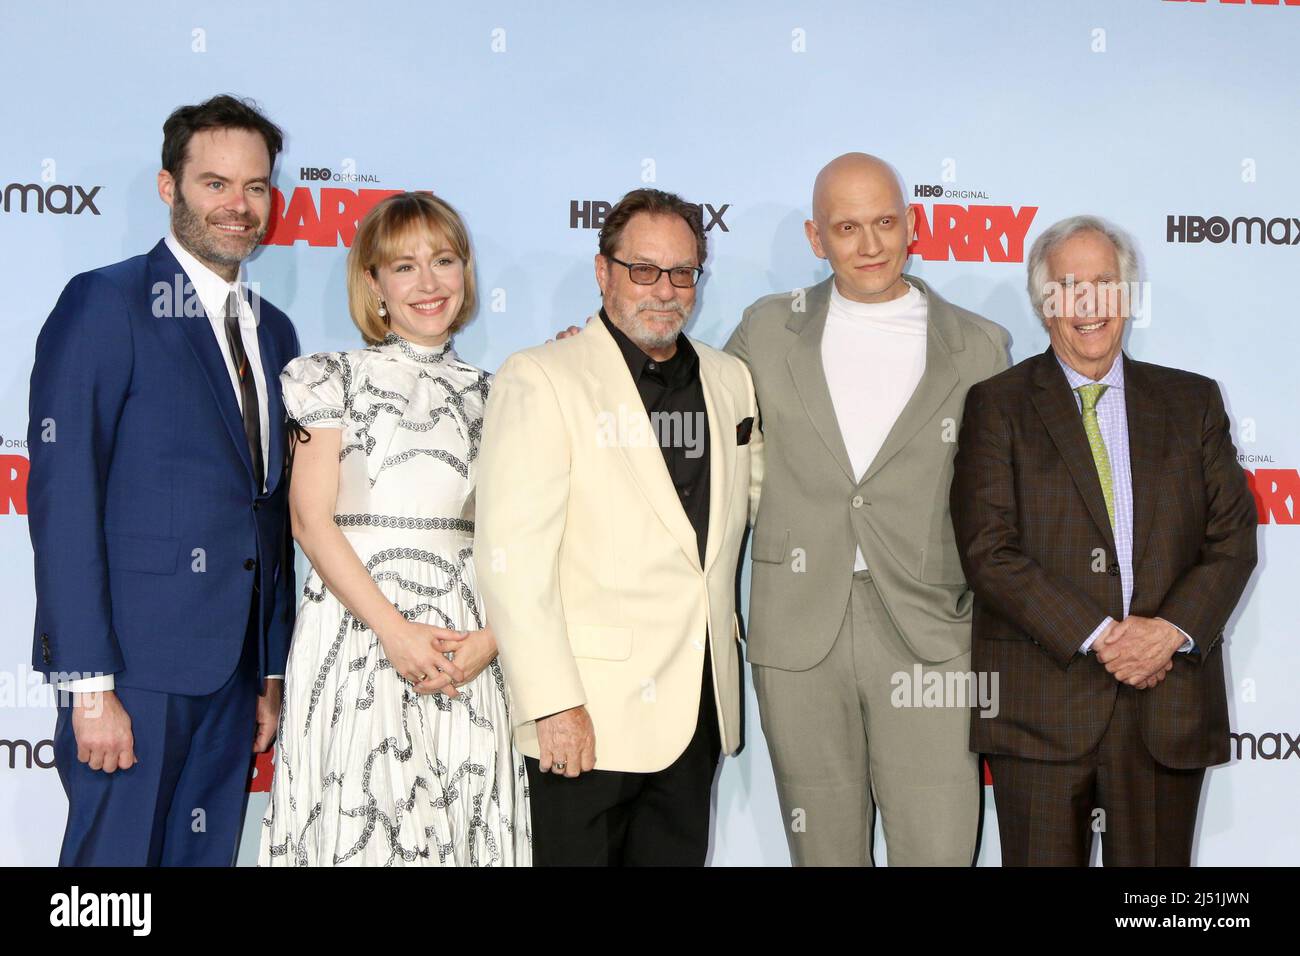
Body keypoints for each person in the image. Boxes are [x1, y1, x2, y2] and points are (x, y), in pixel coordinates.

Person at [28, 94, 298, 866]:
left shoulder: (273, 330)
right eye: (215, 184)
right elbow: (66, 499)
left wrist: (268, 669)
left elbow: (267, 513)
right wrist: (89, 685)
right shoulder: (105, 302)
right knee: (111, 889)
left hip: (232, 678)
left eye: (254, 187)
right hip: (133, 676)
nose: (238, 206)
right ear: (167, 187)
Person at [724, 152, 1010, 866]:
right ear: (818, 241)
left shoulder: (979, 346)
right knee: (822, 853)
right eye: (846, 227)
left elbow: (1005, 500)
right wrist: (602, 359)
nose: (870, 244)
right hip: (798, 630)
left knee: (939, 848)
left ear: (913, 226)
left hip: (931, 631)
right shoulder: (764, 330)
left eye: (884, 222)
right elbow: (688, 420)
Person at [950, 215, 1258, 865]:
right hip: (1040, 712)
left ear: (1126, 296)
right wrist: (1103, 635)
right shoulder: (996, 406)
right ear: (1044, 305)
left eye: (1104, 284)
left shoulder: (1193, 403)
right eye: (1068, 287)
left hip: (1163, 707)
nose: (1088, 304)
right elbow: (988, 548)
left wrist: (1168, 630)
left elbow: (1232, 540)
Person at [475, 188, 762, 866]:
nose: (664, 290)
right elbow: (511, 560)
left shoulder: (730, 380)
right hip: (588, 717)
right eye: (644, 270)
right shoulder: (543, 377)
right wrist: (551, 705)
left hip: (696, 710)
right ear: (604, 272)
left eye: (683, 272)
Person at [259, 191, 530, 866]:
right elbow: (309, 521)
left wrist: (494, 640)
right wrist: (394, 631)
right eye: (404, 266)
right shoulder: (329, 378)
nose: (429, 282)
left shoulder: (504, 393)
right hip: (357, 636)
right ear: (373, 283)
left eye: (443, 260)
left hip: (465, 647)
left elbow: (526, 539)